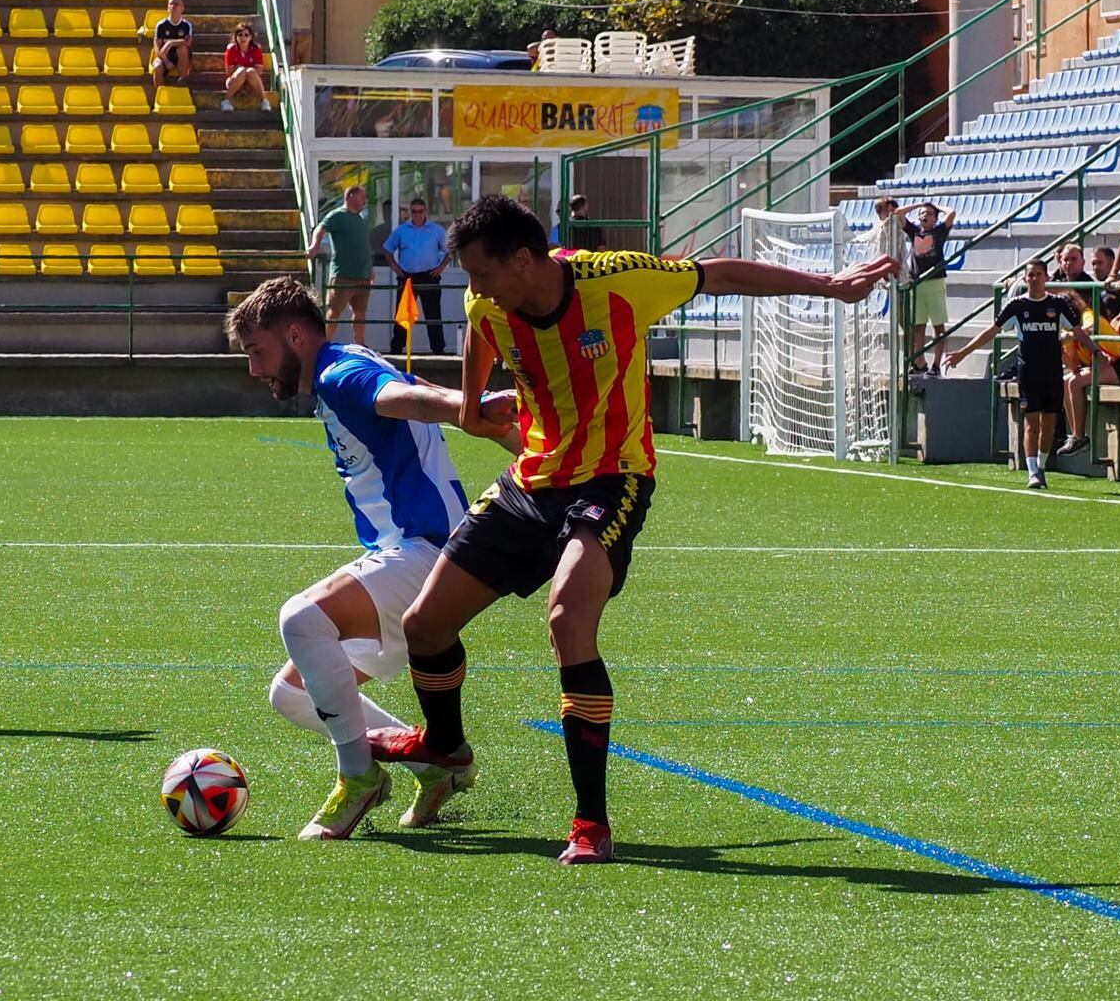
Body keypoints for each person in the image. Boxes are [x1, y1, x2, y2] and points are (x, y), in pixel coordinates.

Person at [364, 195, 897, 864]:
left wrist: (827, 285)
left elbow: (720, 274)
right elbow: (476, 381)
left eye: (481, 274)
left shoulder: (614, 279)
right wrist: (478, 407)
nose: (472, 289)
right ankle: (445, 748)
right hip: (532, 482)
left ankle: (591, 824)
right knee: (424, 626)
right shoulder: (487, 307)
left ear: (523, 261)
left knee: (567, 620)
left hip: (613, 478)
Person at [225, 276, 518, 838]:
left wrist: (471, 404)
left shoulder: (339, 375)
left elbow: (400, 398)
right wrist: (493, 423)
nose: (255, 369)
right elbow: (415, 393)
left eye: (258, 352)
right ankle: (429, 763)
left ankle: (359, 777)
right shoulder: (349, 362)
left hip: (424, 552)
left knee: (301, 618)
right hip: (415, 556)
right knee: (290, 693)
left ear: (294, 335)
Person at [945, 259, 1096, 490]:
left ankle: (1042, 467)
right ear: (1025, 279)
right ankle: (1033, 472)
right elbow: (991, 331)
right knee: (1031, 423)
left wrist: (1097, 352)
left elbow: (1077, 332)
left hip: (1053, 370)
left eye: (1038, 274)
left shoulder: (1057, 305)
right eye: (1030, 275)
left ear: (1046, 278)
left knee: (1049, 423)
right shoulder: (1017, 306)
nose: (1034, 279)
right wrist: (963, 353)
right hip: (1029, 371)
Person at [1056, 286, 1120, 456]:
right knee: (1066, 380)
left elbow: (1090, 327)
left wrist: (1071, 336)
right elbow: (1073, 367)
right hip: (1107, 365)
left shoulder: (1087, 315)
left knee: (1074, 383)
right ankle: (1075, 436)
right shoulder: (1066, 331)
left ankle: (1079, 436)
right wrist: (1064, 346)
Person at [895, 200, 956, 374]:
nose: (925, 216)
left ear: (936, 218)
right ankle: (919, 362)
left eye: (929, 214)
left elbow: (951, 213)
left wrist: (936, 207)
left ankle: (937, 364)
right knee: (918, 326)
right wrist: (918, 205)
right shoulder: (914, 231)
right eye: (922, 213)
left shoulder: (939, 231)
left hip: (935, 282)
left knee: (938, 325)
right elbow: (899, 213)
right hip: (917, 283)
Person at [306, 185, 373, 345]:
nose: (364, 201)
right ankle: (324, 344)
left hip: (362, 275)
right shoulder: (337, 215)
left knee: (360, 312)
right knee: (334, 311)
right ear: (350, 196)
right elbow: (320, 229)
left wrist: (370, 270)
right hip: (343, 275)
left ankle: (360, 343)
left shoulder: (360, 219)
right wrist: (315, 245)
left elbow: (364, 246)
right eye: (361, 197)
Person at [383, 198, 451, 356]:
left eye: (420, 211)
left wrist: (441, 268)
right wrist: (397, 270)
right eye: (414, 211)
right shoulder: (402, 230)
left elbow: (450, 250)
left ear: (426, 212)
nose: (417, 215)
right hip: (407, 277)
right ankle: (396, 349)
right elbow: (387, 250)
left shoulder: (436, 230)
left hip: (430, 276)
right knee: (403, 314)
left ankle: (438, 350)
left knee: (433, 314)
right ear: (410, 212)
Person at [222, 22, 270, 112]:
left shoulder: (256, 49)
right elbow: (229, 71)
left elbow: (259, 71)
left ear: (251, 37)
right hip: (234, 81)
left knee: (250, 71)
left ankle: (264, 100)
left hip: (250, 83)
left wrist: (244, 70)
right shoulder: (231, 48)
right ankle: (226, 100)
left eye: (246, 35)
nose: (243, 38)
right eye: (240, 35)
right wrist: (242, 70)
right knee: (242, 71)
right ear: (236, 37)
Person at [151, 0, 193, 86]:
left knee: (182, 49)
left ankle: (183, 80)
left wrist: (171, 43)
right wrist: (166, 61)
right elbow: (158, 48)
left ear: (182, 8)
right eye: (171, 4)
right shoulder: (161, 25)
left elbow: (188, 43)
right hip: (165, 55)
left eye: (177, 4)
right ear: (168, 8)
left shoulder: (186, 25)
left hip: (180, 57)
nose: (173, 6)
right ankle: (160, 94)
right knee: (157, 67)